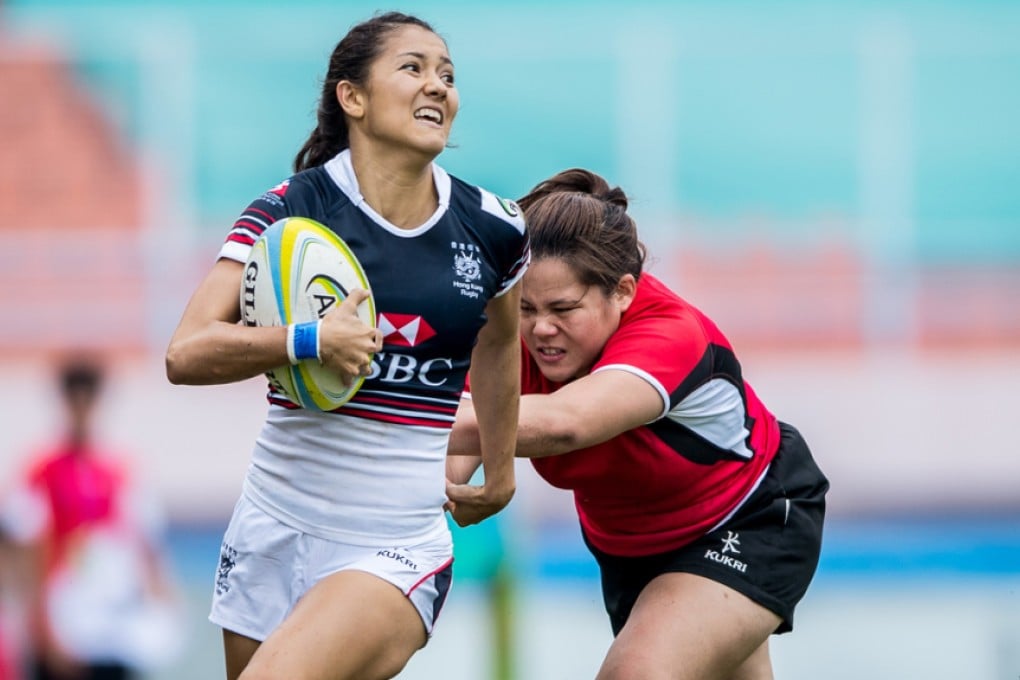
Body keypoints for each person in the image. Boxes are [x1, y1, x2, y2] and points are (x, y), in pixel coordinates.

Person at [165, 11, 529, 680]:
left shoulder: (495, 227)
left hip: (394, 544)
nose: (438, 87)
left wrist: (501, 472)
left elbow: (500, 346)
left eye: (447, 75)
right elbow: (185, 352)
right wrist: (307, 340)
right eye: (413, 68)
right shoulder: (289, 213)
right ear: (352, 97)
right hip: (271, 526)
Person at [446, 168, 829, 679]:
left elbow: (567, 423)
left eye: (564, 308)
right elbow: (454, 445)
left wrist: (395, 412)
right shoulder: (509, 332)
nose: (540, 329)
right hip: (630, 549)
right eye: (527, 306)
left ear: (623, 291)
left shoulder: (672, 335)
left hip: (745, 517)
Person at [0, 356, 182, 680]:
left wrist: (161, 609)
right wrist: (41, 625)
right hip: (60, 625)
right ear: (65, 402)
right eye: (75, 401)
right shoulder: (40, 471)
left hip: (111, 632)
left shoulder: (121, 472)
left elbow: (146, 548)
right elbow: (22, 553)